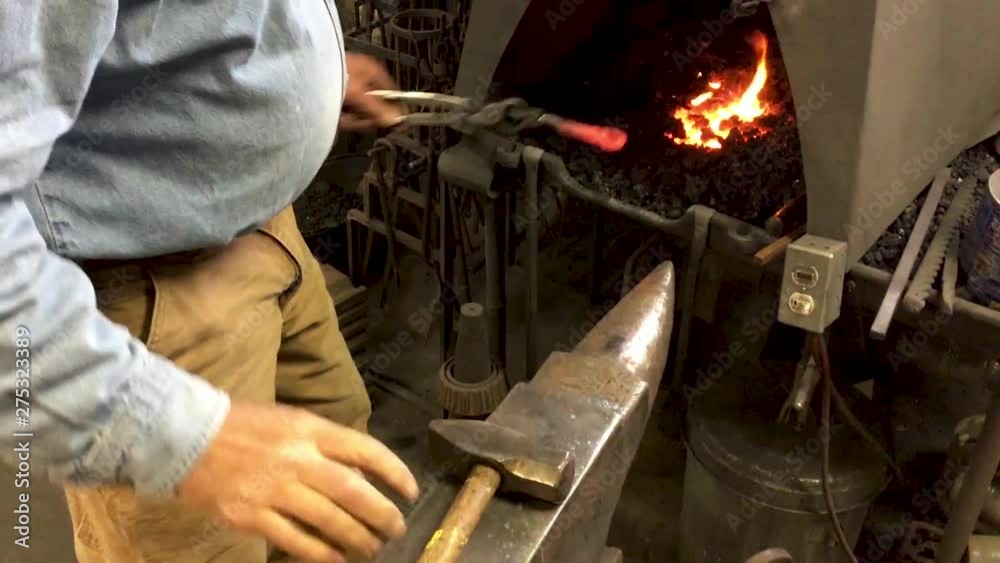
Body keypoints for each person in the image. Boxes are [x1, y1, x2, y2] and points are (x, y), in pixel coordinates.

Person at [0, 2, 418, 562]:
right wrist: (171, 430)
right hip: (149, 296)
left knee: (334, 500)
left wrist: (296, 65)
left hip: (271, 236)